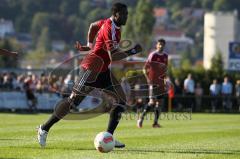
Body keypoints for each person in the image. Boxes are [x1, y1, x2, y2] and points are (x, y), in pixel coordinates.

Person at [37, 3, 142, 148]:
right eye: (124, 14)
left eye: (127, 14)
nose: (126, 17)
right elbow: (114, 57)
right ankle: (44, 128)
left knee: (121, 99)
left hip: (103, 70)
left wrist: (89, 45)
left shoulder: (110, 24)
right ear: (116, 14)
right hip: (90, 69)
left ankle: (108, 137)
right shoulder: (109, 28)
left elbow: (93, 25)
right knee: (73, 102)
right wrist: (133, 51)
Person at [137, 39, 168, 128]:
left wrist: (165, 81)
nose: (161, 46)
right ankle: (141, 119)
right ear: (156, 45)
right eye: (159, 44)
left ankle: (155, 123)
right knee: (151, 102)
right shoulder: (153, 55)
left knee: (160, 103)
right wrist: (148, 79)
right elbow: (144, 69)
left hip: (161, 84)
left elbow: (165, 70)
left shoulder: (165, 56)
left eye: (162, 44)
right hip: (153, 82)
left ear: (164, 45)